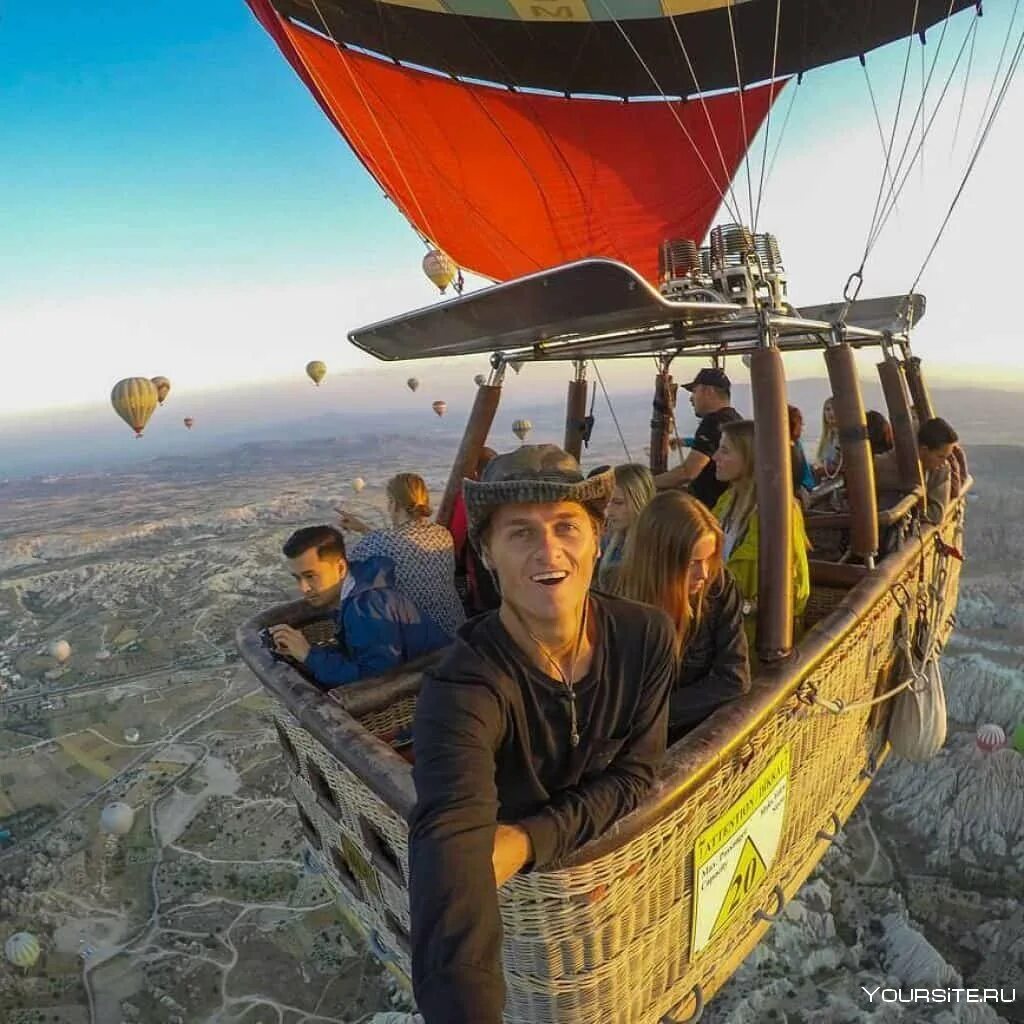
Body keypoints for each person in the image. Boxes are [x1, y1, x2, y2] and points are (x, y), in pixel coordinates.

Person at [407, 446, 676, 1024]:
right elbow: (449, 836)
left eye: (566, 527)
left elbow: (637, 772)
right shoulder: (462, 685)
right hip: (530, 921)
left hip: (612, 897)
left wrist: (528, 840)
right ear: (487, 554)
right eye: (521, 533)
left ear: (597, 539)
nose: (549, 550)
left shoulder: (646, 636)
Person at [614, 491, 750, 744]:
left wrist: (653, 716)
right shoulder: (615, 602)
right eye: (693, 563)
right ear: (659, 562)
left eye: (710, 558)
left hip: (698, 734)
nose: (704, 572)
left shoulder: (718, 587)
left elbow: (734, 679)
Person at [268, 526, 450, 688]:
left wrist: (309, 656)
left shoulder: (366, 607)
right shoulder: (355, 588)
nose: (304, 588)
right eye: (297, 578)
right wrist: (303, 652)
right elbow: (359, 653)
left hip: (439, 686)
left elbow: (374, 679)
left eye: (310, 576)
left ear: (340, 568)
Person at [712, 420, 811, 643]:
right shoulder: (726, 502)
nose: (715, 457)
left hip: (758, 641)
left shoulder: (781, 512)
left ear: (750, 456)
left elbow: (796, 592)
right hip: (723, 631)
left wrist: (744, 607)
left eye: (725, 450)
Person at [338, 473, 465, 637]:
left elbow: (343, 576)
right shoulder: (443, 534)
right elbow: (403, 547)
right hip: (455, 629)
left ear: (395, 505)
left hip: (419, 640)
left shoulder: (381, 543)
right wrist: (364, 529)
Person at [654, 367, 741, 508]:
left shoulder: (713, 422)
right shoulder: (733, 419)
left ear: (708, 392)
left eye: (694, 391)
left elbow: (688, 472)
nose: (691, 398)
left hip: (709, 508)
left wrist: (647, 482)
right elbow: (712, 446)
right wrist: (686, 442)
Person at [874, 417, 959, 524]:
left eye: (946, 457)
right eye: (940, 456)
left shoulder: (941, 471)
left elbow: (936, 514)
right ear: (924, 450)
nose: (943, 463)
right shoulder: (883, 465)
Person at [449, 448, 501, 616]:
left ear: (476, 471)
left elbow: (456, 538)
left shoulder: (468, 498)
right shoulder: (510, 494)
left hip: (482, 575)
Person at [596, 463, 655, 590]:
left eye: (618, 503)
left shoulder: (654, 549)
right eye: (606, 502)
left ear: (640, 500)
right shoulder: (610, 539)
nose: (608, 512)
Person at [788, 405, 816, 497]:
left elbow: (806, 473)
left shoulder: (797, 445)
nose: (802, 428)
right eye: (800, 423)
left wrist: (805, 487)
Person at [814, 396, 842, 479]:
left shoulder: (843, 438)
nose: (831, 413)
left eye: (834, 409)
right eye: (828, 409)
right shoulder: (827, 437)